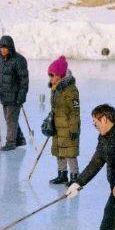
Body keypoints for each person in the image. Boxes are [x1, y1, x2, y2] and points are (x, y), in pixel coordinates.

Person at [46, 56, 81, 185]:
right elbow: (55, 108)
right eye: (50, 75)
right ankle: (62, 174)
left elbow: (75, 112)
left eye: (52, 75)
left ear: (60, 75)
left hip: (68, 126)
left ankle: (74, 176)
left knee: (70, 152)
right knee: (59, 151)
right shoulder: (55, 88)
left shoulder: (71, 90)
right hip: (58, 125)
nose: (50, 78)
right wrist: (50, 120)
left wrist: (74, 128)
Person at [0, 36, 28, 151]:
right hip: (4, 95)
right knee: (10, 119)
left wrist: (22, 95)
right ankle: (20, 139)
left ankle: (11, 142)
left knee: (11, 119)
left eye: (5, 47)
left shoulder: (19, 60)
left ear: (10, 47)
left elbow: (24, 80)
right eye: (1, 47)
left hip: (15, 95)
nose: (3, 50)